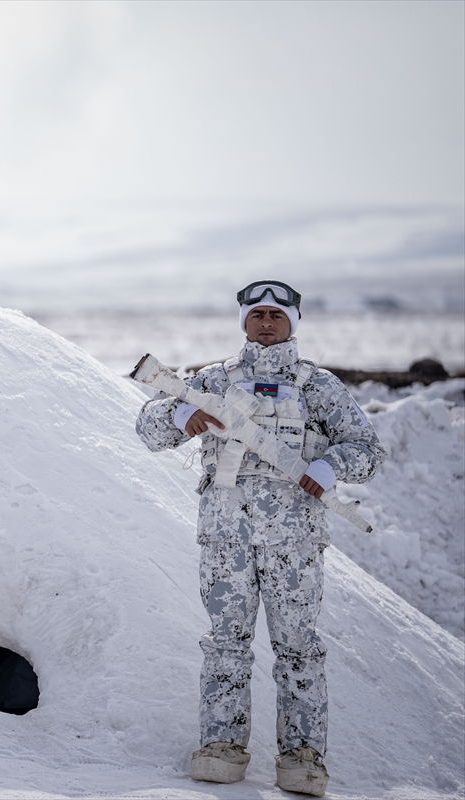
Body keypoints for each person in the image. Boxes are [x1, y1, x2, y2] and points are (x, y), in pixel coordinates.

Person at [135, 280, 384, 797]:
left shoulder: (318, 387)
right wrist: (180, 414)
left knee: (299, 649)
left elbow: (367, 449)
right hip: (226, 539)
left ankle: (302, 757)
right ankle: (221, 747)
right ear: (244, 322)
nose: (266, 323)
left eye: (276, 315)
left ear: (292, 322)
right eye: (257, 315)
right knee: (225, 644)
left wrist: (330, 465)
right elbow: (148, 427)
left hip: (294, 543)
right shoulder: (214, 379)